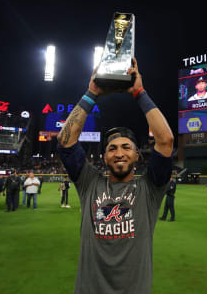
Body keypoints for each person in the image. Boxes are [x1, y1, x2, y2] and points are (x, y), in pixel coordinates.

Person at [58, 58, 174, 293]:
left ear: (138, 156)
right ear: (104, 158)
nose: (119, 153)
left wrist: (139, 92)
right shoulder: (89, 183)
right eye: (112, 148)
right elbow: (65, 141)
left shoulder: (149, 189)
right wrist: (92, 93)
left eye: (126, 147)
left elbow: (166, 141)